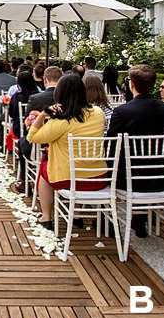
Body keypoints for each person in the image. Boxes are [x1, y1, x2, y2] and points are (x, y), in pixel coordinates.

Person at [27, 74, 107, 230]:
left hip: (68, 179)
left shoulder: (61, 121)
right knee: (74, 162)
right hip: (98, 177)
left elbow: (32, 137)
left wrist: (44, 113)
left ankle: (46, 216)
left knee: (44, 167)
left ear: (60, 93)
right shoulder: (98, 113)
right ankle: (76, 214)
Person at [106, 64, 164, 238]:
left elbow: (112, 146)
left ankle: (107, 222)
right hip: (160, 176)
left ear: (131, 84)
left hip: (128, 179)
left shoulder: (122, 112)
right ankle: (142, 216)